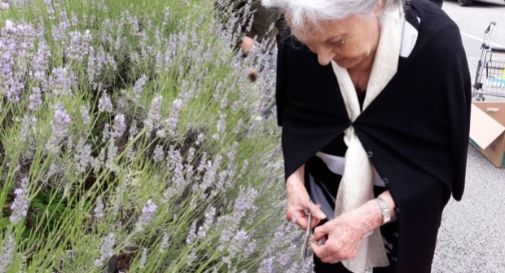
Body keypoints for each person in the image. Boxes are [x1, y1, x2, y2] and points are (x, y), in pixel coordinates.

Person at [261, 0, 471, 272]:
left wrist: (370, 216)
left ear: (378, 4)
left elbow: (441, 159)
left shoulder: (435, 46)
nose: (323, 58)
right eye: (312, 46)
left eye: (336, 41)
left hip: (405, 215)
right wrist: (294, 180)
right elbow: (297, 119)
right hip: (328, 205)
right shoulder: (301, 40)